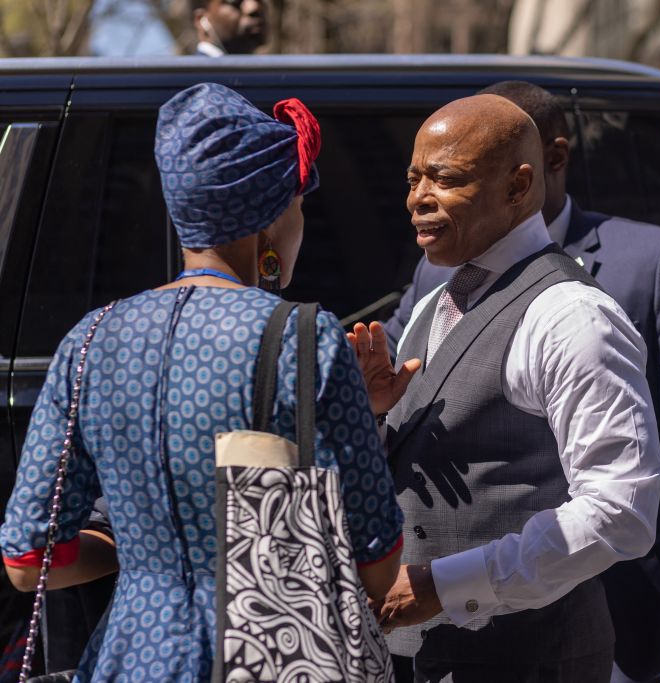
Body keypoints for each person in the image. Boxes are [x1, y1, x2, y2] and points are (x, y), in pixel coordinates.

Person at [0, 82, 404, 681]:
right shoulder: (304, 336)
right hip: (268, 651)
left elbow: (30, 559)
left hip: (130, 655)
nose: (300, 221)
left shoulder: (89, 338)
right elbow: (376, 564)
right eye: (298, 204)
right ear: (268, 216)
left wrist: (147, 550)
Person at [382, 80, 660, 683]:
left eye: (446, 179)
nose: (419, 199)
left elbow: (622, 512)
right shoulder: (439, 291)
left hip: (526, 659)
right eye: (413, 179)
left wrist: (447, 587)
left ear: (518, 185)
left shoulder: (572, 317)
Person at [193, 0, 266, 56]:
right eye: (235, 2)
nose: (254, 7)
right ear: (201, 19)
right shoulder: (193, 74)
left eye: (260, 1)